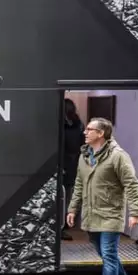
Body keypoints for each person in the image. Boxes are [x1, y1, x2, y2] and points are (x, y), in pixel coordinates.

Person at [66, 117, 138, 275]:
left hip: (110, 215)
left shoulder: (118, 156)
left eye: (89, 129)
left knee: (108, 255)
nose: (85, 132)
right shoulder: (85, 155)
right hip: (91, 214)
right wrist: (73, 208)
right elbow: (79, 184)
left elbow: (131, 184)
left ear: (101, 134)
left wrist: (135, 212)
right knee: (105, 254)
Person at [62, 98, 85, 241]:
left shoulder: (60, 125)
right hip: (74, 164)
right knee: (68, 197)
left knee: (63, 198)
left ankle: (62, 226)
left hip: (65, 165)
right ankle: (65, 225)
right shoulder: (79, 125)